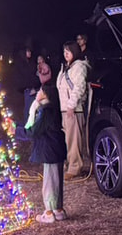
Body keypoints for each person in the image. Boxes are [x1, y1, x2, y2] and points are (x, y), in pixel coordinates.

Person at [26, 53, 67, 223]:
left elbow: (34, 131)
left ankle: (49, 212)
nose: (38, 92)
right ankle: (58, 209)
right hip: (56, 149)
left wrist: (18, 130)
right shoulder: (53, 110)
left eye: (41, 92)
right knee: (57, 180)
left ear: (46, 96)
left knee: (50, 181)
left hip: (49, 150)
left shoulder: (45, 111)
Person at [58, 39, 91, 179]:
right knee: (67, 139)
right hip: (65, 108)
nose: (66, 54)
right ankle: (69, 163)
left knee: (74, 140)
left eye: (68, 51)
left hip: (73, 109)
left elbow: (79, 87)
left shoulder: (79, 67)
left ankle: (75, 167)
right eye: (65, 51)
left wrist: (71, 105)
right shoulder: (66, 67)